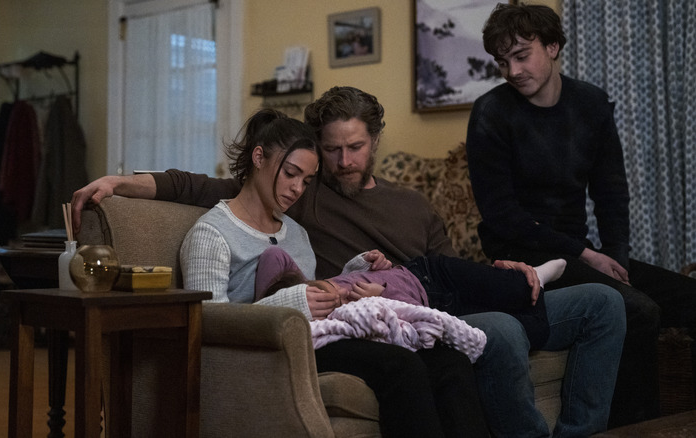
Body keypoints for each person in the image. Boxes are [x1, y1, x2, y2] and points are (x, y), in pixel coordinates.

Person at [71, 86, 626, 437]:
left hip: (409, 297)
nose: (333, 166)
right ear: (267, 161)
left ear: (375, 142)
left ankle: (531, 288)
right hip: (337, 321)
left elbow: (320, 278)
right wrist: (121, 181)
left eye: (352, 149)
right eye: (313, 161)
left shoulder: (300, 222)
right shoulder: (270, 211)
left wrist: (358, 272)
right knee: (466, 341)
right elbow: (199, 196)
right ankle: (527, 296)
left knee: (602, 304)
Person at [179, 107, 489, 437]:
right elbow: (207, 322)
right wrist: (295, 304)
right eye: (291, 174)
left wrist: (351, 275)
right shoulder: (212, 233)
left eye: (307, 180)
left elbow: (310, 290)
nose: (297, 188)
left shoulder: (295, 232)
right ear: (259, 157)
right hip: (272, 350)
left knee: (449, 361)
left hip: (321, 336)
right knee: (401, 366)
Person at [464, 2, 696, 428]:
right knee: (637, 310)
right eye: (502, 61)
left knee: (688, 298)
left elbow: (611, 193)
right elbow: (501, 215)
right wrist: (587, 256)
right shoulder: (491, 114)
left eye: (521, 55)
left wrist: (617, 257)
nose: (512, 70)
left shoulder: (590, 104)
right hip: (526, 259)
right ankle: (632, 430)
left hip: (579, 251)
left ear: (552, 46)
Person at [255, 245, 568, 349]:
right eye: (332, 299)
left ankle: (538, 273)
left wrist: (366, 263)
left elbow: (273, 255)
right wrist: (380, 295)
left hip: (428, 272)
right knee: (532, 329)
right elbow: (401, 326)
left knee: (515, 288)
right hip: (438, 304)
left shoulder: (316, 286)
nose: (338, 293)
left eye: (328, 290)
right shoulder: (345, 319)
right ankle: (531, 282)